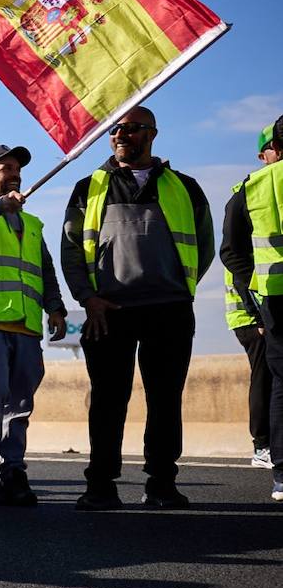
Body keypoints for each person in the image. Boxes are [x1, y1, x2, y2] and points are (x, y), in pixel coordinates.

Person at [61, 106, 213, 510]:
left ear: (152, 134)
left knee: (166, 399)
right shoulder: (87, 188)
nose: (121, 135)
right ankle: (101, 485)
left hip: (170, 309)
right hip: (107, 311)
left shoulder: (186, 187)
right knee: (108, 399)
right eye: (115, 130)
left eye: (131, 129)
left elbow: (204, 245)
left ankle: (162, 483)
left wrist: (180, 287)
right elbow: (72, 250)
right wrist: (87, 298)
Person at [0, 145, 67, 506]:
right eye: (6, 167)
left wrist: (55, 307)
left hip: (25, 323)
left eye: (17, 168)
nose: (15, 173)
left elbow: (45, 269)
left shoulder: (33, 224)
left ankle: (15, 470)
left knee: (21, 402)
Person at [221, 115, 283, 502]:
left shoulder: (250, 187)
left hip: (271, 300)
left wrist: (257, 297)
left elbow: (231, 251)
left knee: (280, 383)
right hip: (259, 309)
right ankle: (264, 447)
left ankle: (280, 470)